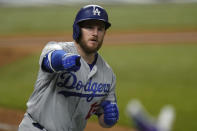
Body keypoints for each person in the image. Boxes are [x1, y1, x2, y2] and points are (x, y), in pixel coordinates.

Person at [18, 4, 119, 131]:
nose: (95, 33)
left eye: (100, 29)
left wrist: (108, 119)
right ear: (77, 30)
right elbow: (50, 59)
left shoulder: (108, 74)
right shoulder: (57, 48)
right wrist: (63, 60)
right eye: (89, 27)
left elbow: (103, 118)